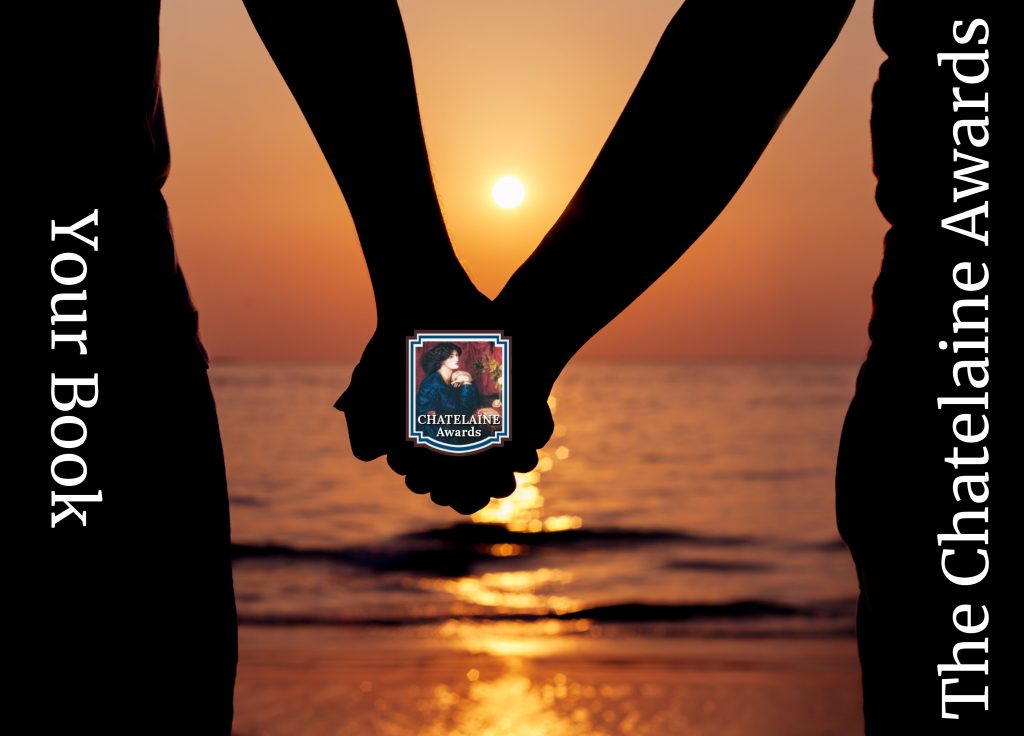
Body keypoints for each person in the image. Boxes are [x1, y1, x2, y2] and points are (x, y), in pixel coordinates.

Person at [415, 343, 481, 445]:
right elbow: (460, 411)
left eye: (457, 355)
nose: (457, 359)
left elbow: (472, 405)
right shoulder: (434, 382)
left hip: (451, 425)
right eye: (451, 356)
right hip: (435, 432)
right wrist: (466, 383)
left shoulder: (453, 377)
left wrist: (466, 380)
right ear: (441, 359)